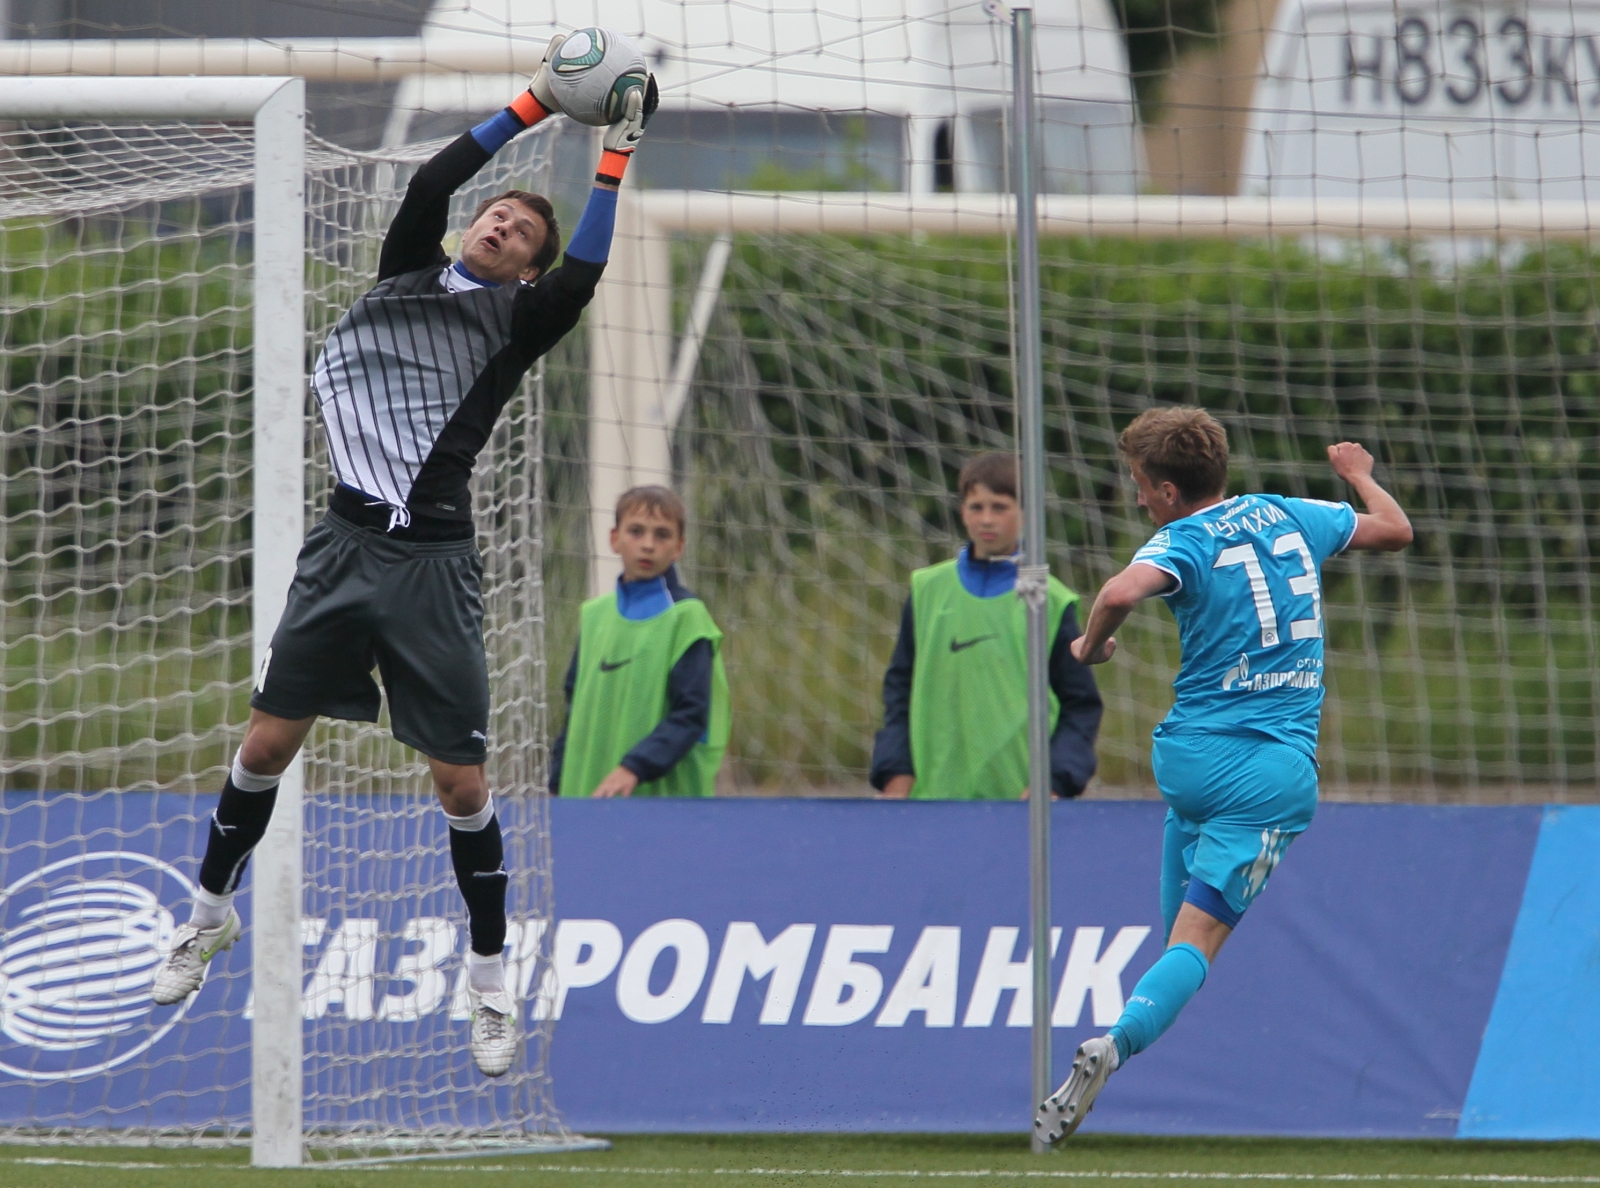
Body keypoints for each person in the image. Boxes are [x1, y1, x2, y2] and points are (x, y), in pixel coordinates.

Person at [149, 38, 660, 1079]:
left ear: (525, 267)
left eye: (520, 229)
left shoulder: (519, 323)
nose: (502, 221)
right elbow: (433, 176)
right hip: (342, 546)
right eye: (497, 213)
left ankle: (488, 982)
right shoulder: (401, 275)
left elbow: (589, 268)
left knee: (460, 786)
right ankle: (207, 913)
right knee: (263, 745)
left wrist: (613, 152)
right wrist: (530, 103)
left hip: (431, 566)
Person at [1035, 407, 1413, 1143]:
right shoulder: (1286, 514)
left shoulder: (1180, 538)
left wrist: (1090, 648)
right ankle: (1113, 1045)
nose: (1139, 498)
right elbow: (1394, 530)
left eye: (1142, 486)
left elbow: (1115, 595)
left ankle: (1130, 1025)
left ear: (1170, 491)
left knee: (1177, 936)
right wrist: (1362, 478)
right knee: (1199, 944)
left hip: (1188, 760)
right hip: (1266, 773)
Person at [870, 452, 1102, 801]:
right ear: (962, 511)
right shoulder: (927, 588)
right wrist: (895, 770)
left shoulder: (1048, 599)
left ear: (1025, 513)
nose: (987, 519)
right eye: (976, 507)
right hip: (932, 796)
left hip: (1019, 803)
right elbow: (899, 690)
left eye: (1000, 506)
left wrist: (1053, 781)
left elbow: (1080, 705)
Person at [550, 486, 730, 799]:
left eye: (662, 535)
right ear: (614, 539)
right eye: (636, 531)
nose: (648, 545)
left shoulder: (688, 618)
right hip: (585, 793)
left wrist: (634, 767)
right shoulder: (593, 615)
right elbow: (573, 707)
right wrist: (556, 781)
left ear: (679, 547)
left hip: (658, 802)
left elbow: (691, 716)